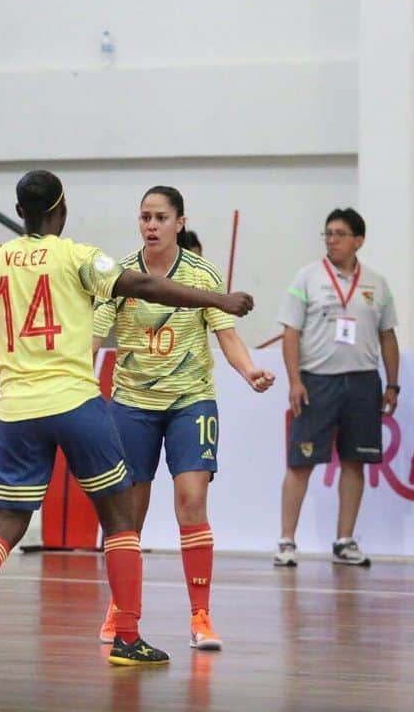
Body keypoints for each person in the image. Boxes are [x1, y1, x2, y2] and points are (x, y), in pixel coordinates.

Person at [0, 170, 254, 668]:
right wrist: (218, 298)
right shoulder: (78, 256)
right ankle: (127, 637)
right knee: (120, 518)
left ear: (21, 213)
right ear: (61, 211)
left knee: (6, 521)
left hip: (17, 410)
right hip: (75, 403)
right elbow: (147, 285)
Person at [92, 186, 275, 651]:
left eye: (160, 217)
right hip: (131, 403)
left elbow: (226, 334)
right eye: (144, 217)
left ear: (179, 222)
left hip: (190, 401)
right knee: (128, 510)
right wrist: (72, 376)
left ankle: (201, 616)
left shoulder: (202, 274)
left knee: (192, 501)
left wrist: (249, 369)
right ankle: (122, 608)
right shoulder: (119, 274)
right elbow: (93, 339)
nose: (150, 225)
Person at [273, 207, 399, 567]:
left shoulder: (377, 283)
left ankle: (344, 540)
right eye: (328, 233)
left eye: (340, 233)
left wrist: (393, 384)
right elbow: (290, 332)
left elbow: (387, 335)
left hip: (362, 382)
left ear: (359, 240)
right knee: (301, 461)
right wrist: (295, 380)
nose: (332, 240)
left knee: (355, 461)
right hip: (317, 382)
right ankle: (286, 541)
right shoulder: (307, 277)